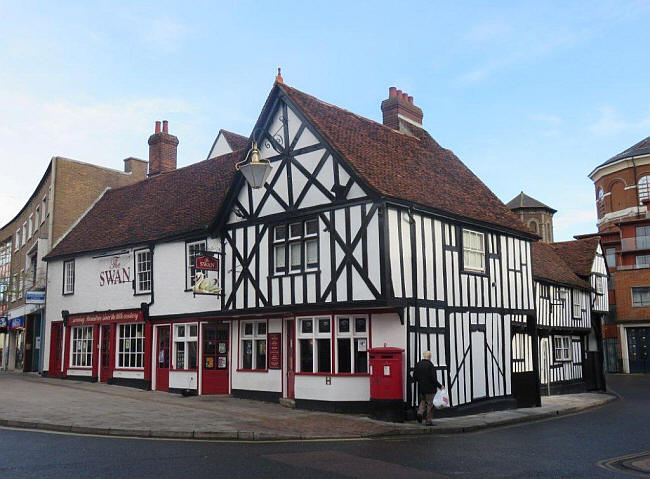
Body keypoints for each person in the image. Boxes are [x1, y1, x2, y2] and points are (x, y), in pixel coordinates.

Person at [413, 351, 443, 426]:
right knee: (430, 404)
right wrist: (440, 386)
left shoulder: (418, 364)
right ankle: (428, 421)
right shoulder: (430, 365)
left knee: (423, 401)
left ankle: (419, 413)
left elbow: (414, 377)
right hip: (430, 389)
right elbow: (433, 378)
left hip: (421, 389)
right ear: (430, 357)